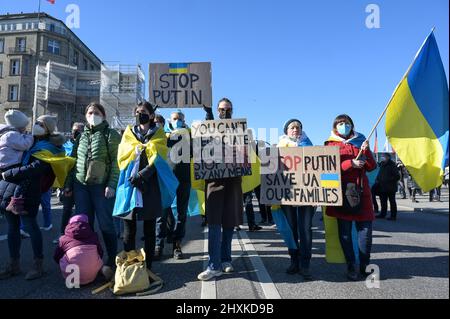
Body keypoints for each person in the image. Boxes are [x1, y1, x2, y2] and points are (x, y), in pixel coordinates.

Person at [0, 115, 73, 280]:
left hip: (30, 189)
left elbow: (36, 168)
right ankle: (13, 264)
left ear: (47, 128)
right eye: (36, 123)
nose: (36, 126)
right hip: (13, 187)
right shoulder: (28, 141)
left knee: (31, 226)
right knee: (12, 226)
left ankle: (38, 264)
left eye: (41, 124)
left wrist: (9, 173)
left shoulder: (49, 147)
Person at [113, 101, 177, 286]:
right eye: (138, 112)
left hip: (149, 186)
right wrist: (134, 176)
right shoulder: (128, 133)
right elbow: (122, 155)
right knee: (129, 230)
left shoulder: (158, 134)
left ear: (150, 115)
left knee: (149, 230)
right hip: (130, 185)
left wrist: (143, 175)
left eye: (144, 112)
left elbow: (158, 158)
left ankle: (148, 267)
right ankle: (130, 267)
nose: (140, 114)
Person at [64, 102, 120, 280]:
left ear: (103, 115)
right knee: (83, 225)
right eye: (89, 112)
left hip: (101, 186)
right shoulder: (80, 136)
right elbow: (72, 162)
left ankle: (112, 259)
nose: (92, 115)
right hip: (81, 186)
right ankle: (87, 260)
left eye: (96, 112)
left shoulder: (110, 134)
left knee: (106, 224)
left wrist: (111, 184)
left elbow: (117, 163)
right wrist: (67, 184)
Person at [325, 114, 377, 281]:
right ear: (335, 127)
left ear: (352, 125)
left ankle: (364, 265)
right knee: (345, 234)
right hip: (341, 193)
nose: (343, 125)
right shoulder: (330, 144)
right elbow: (327, 170)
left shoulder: (361, 141)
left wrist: (366, 151)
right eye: (340, 123)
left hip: (362, 193)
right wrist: (350, 164)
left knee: (366, 232)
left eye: (346, 123)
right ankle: (351, 265)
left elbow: (371, 167)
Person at [197, 98, 244, 281]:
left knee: (229, 223)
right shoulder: (210, 126)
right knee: (215, 223)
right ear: (217, 111)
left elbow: (245, 154)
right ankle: (214, 265)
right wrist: (207, 114)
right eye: (222, 109)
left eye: (228, 109)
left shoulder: (240, 131)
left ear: (233, 110)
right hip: (214, 182)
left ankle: (226, 260)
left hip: (233, 182)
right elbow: (204, 136)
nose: (225, 112)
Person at [278, 119, 315, 280]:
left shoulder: (310, 146)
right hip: (287, 194)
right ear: (286, 130)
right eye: (292, 127)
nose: (295, 129)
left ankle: (305, 262)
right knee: (291, 229)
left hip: (306, 195)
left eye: (298, 127)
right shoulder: (278, 147)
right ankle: (294, 260)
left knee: (305, 229)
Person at [156, 110, 192, 260]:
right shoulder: (162, 136)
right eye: (175, 118)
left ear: (184, 121)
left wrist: (208, 113)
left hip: (184, 179)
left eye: (180, 119)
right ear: (170, 121)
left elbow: (206, 136)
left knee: (181, 215)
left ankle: (177, 245)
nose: (178, 121)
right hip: (166, 180)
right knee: (162, 214)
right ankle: (159, 244)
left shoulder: (190, 135)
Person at [53, 123, 85, 244]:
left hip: (81, 182)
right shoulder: (66, 145)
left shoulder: (85, 144)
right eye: (74, 130)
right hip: (68, 183)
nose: (75, 133)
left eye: (78, 131)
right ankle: (62, 233)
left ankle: (78, 235)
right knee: (66, 209)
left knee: (80, 211)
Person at [0, 110, 34, 215]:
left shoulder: (5, 132)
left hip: (4, 163)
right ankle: (15, 203)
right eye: (24, 127)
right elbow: (25, 145)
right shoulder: (12, 135)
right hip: (10, 164)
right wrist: (30, 136)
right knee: (24, 179)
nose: (25, 129)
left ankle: (10, 204)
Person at [54, 214, 103, 285]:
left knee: (64, 255)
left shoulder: (63, 238)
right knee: (94, 253)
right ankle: (91, 269)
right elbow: (100, 252)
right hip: (93, 276)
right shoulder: (94, 236)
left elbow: (56, 256)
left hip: (72, 278)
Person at [375, 153, 400, 220]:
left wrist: (387, 180)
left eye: (384, 156)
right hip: (382, 187)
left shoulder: (392, 165)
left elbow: (397, 176)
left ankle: (393, 216)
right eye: (382, 156)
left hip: (390, 187)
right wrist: (378, 180)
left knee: (392, 202)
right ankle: (383, 214)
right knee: (383, 201)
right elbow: (379, 174)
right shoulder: (382, 165)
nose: (382, 157)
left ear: (388, 157)